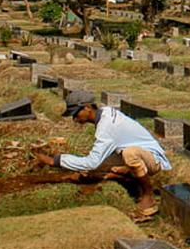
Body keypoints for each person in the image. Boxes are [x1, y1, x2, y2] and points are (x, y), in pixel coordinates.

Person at [35, 90, 171, 221]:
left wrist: (55, 161)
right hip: (131, 154)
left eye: (76, 114)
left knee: (129, 154)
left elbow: (92, 162)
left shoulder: (107, 126)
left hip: (153, 159)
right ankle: (129, 178)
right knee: (97, 167)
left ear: (87, 107)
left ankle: (148, 195)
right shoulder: (104, 113)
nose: (74, 119)